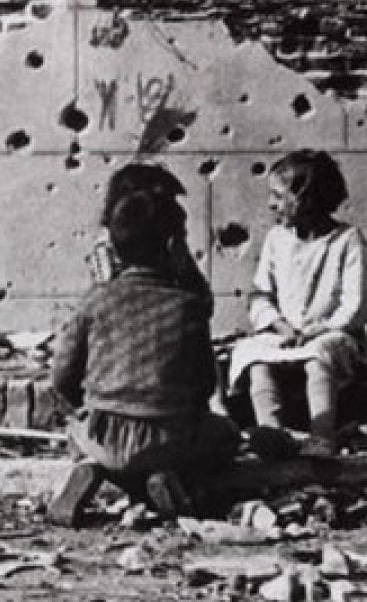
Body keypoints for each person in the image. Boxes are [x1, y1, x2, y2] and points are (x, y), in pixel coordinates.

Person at [48, 189, 237, 526]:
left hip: (101, 433)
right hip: (168, 438)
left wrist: (84, 407)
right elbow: (205, 384)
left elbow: (61, 374)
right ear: (171, 246)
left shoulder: (96, 300)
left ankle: (92, 468)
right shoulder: (187, 305)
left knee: (77, 432)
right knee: (226, 436)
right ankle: (163, 477)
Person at [228, 150, 367, 457]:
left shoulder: (347, 240)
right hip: (285, 333)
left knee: (320, 354)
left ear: (307, 198)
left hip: (331, 333)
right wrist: (281, 326)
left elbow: (353, 304)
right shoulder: (276, 239)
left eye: (279, 196)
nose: (271, 204)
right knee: (253, 355)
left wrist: (321, 328)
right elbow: (261, 294)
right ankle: (272, 433)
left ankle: (321, 436)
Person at [88, 163, 208, 296]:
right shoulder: (186, 303)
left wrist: (101, 287)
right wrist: (186, 266)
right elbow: (201, 302)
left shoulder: (93, 307)